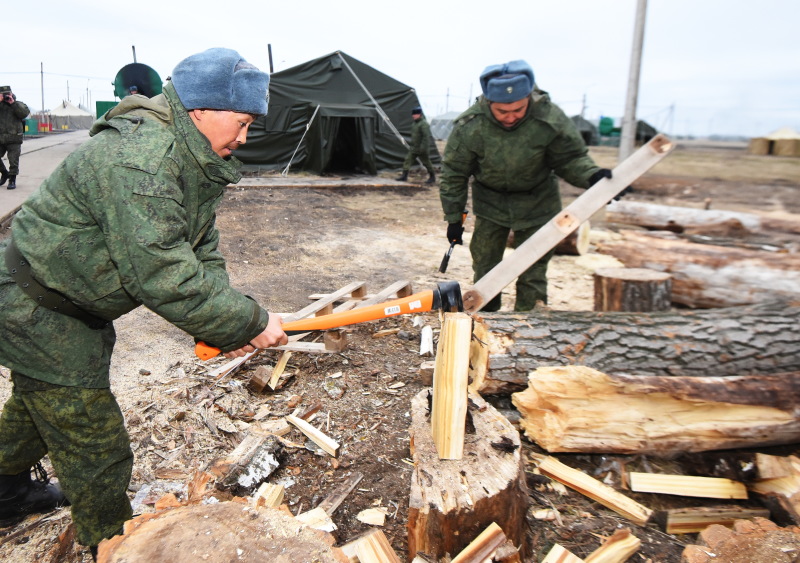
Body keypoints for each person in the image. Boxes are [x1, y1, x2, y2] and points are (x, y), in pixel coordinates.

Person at [0, 47, 287, 557]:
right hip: (35, 305)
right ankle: (111, 544)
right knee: (94, 444)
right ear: (202, 109)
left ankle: (5, 492)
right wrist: (248, 321)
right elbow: (163, 274)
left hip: (68, 303)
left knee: (38, 404)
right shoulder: (143, 158)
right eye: (242, 123)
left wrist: (222, 323)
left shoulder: (189, 152)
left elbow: (199, 246)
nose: (244, 137)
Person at [439, 60, 628, 312]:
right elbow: (454, 173)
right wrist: (454, 218)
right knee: (486, 268)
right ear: (488, 102)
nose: (510, 117)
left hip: (538, 202)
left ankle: (530, 326)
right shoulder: (471, 126)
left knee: (533, 271)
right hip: (491, 204)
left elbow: (570, 159)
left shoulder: (549, 118)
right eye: (502, 111)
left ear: (528, 98)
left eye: (518, 110)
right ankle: (485, 320)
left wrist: (592, 176)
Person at [0, 85, 30, 190]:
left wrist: (13, 103)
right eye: (3, 94)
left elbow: (24, 114)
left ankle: (12, 180)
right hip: (1, 138)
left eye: (8, 94)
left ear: (11, 93)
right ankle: (4, 173)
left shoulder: (18, 104)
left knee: (13, 161)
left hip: (14, 138)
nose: (6, 96)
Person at [396, 106, 436, 184]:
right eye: (413, 114)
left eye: (415, 114)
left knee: (426, 162)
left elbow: (426, 137)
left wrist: (423, 148)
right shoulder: (414, 124)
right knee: (408, 160)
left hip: (422, 148)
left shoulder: (424, 124)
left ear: (419, 114)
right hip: (414, 147)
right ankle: (404, 176)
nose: (413, 116)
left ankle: (432, 177)